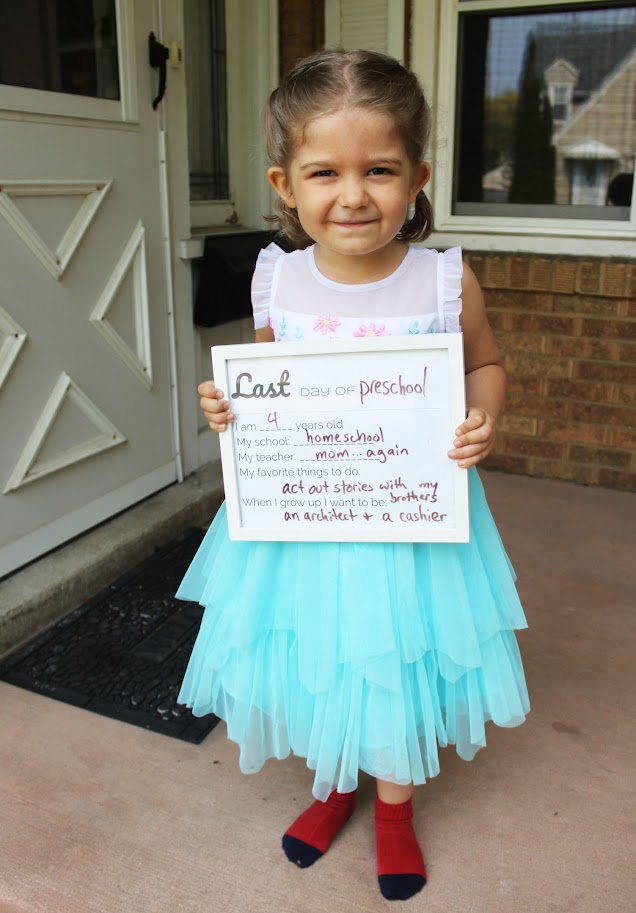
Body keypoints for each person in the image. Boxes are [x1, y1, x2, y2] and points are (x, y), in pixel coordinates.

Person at [177, 48, 529, 902]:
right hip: (309, 525)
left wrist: (483, 414)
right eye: (324, 172)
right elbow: (271, 385)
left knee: (401, 656)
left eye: (379, 169)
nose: (354, 194)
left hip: (413, 521)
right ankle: (335, 784)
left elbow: (485, 364)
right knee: (327, 653)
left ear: (417, 177)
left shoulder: (444, 282)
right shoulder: (279, 279)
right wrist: (232, 411)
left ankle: (397, 806)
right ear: (285, 184)